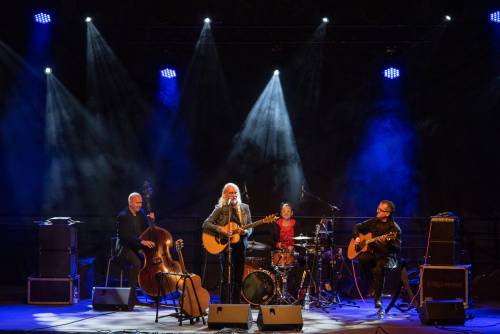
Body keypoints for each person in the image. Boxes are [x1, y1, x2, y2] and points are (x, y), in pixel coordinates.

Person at [202, 183, 253, 304]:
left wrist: (245, 231)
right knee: (226, 280)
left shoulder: (245, 208)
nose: (234, 195)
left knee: (238, 280)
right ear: (225, 195)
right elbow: (206, 224)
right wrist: (221, 229)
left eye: (235, 192)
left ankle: (236, 306)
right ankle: (225, 306)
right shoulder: (220, 208)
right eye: (231, 192)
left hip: (241, 247)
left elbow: (251, 226)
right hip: (226, 247)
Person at [352, 200, 401, 309]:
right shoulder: (374, 221)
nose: (377, 211)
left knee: (379, 269)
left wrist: (387, 243)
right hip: (373, 253)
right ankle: (373, 286)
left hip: (387, 256)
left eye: (380, 210)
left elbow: (397, 249)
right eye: (378, 208)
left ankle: (377, 298)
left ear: (387, 213)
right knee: (362, 259)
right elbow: (356, 227)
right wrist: (357, 238)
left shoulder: (394, 229)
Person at [115, 192, 156, 305]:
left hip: (136, 247)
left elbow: (147, 230)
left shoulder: (141, 214)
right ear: (130, 202)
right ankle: (132, 297)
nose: (140, 205)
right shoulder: (123, 216)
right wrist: (142, 242)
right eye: (137, 203)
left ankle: (151, 292)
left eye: (141, 203)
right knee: (137, 263)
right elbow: (125, 237)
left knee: (151, 260)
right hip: (124, 248)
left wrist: (151, 221)